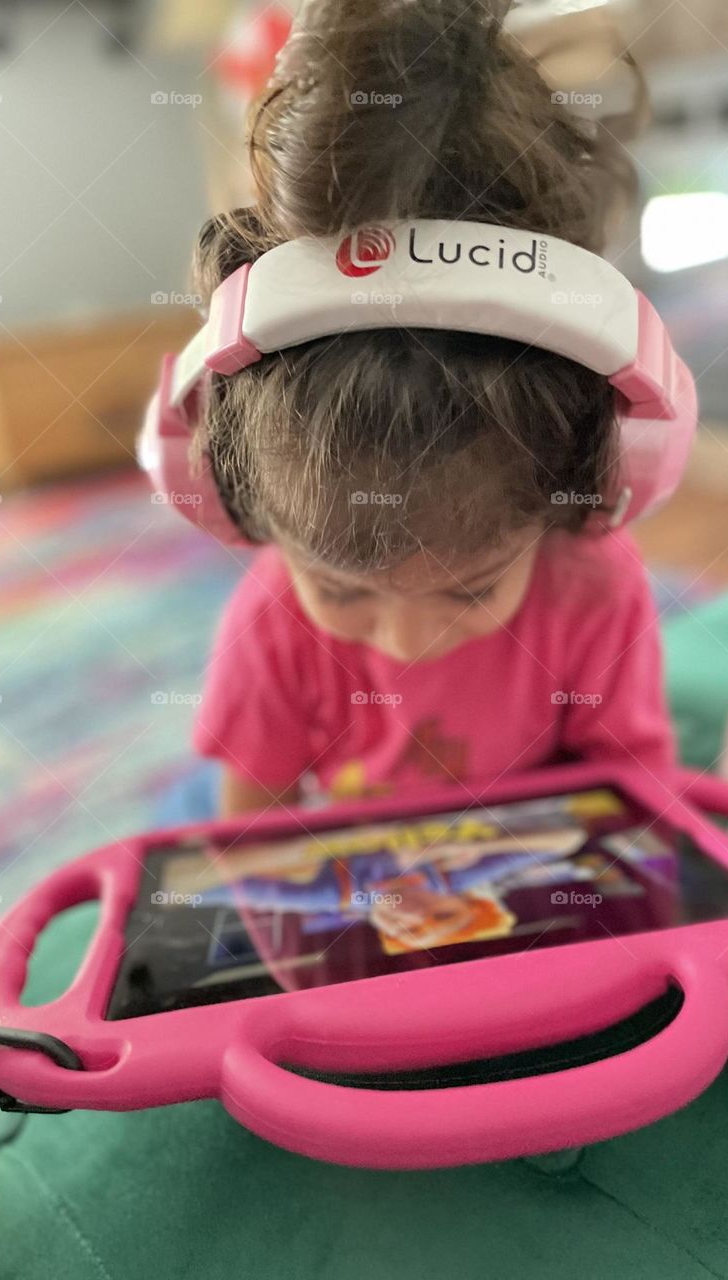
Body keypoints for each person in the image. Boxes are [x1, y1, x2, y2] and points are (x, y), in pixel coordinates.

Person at [161, 0, 674, 823]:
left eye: (470, 593)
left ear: (590, 487)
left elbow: (633, 796)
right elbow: (253, 834)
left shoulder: (597, 592)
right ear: (231, 497)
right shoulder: (269, 624)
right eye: (341, 591)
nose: (405, 643)